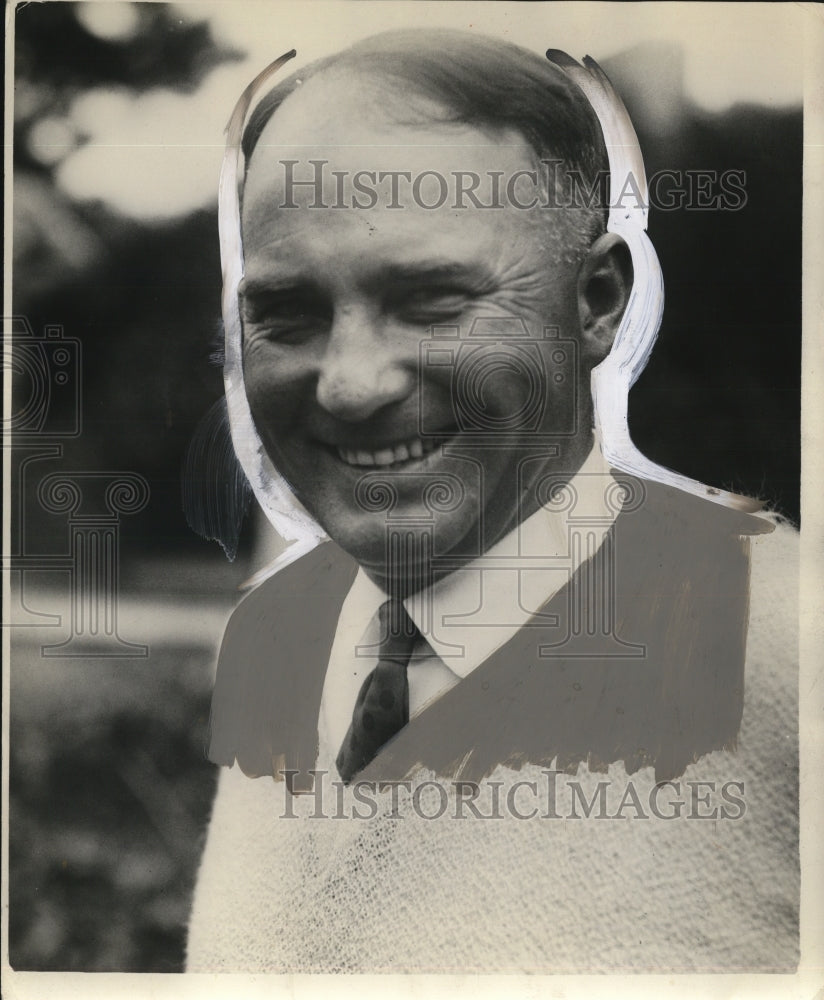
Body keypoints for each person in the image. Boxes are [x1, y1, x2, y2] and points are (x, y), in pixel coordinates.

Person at [186, 29, 798, 973]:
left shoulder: (786, 649)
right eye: (286, 315)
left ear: (597, 302)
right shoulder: (275, 635)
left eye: (433, 300)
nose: (350, 384)